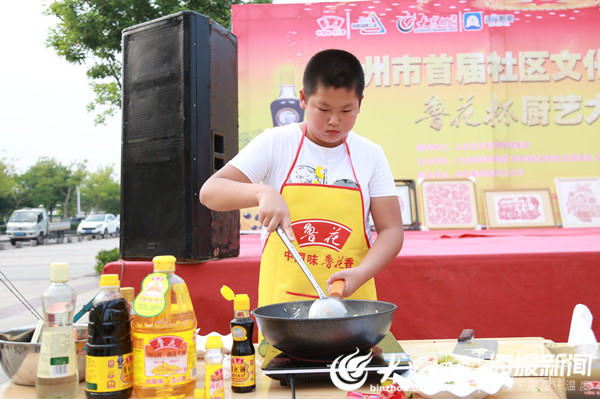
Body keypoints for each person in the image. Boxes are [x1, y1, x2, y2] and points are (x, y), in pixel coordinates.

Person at [200, 49, 404, 309]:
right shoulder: (275, 142)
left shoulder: (371, 155)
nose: (334, 121)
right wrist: (262, 193)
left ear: (360, 103)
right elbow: (210, 192)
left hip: (351, 302)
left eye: (346, 110)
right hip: (283, 306)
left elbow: (391, 230)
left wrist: (360, 274)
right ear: (303, 99)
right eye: (323, 108)